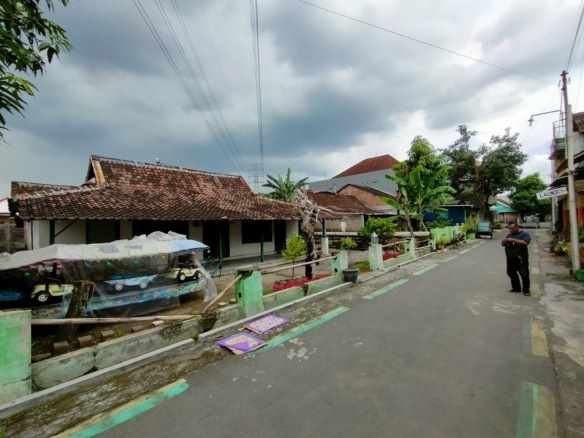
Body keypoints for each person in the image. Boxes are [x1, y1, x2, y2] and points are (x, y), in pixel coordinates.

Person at [502, 221, 531, 296]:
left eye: (512, 228)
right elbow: (503, 244)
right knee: (510, 272)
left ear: (517, 227)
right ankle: (516, 288)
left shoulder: (524, 234)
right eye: (509, 228)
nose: (510, 230)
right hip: (511, 257)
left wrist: (513, 240)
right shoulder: (509, 235)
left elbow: (526, 242)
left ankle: (526, 290)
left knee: (524, 273)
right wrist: (504, 241)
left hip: (521, 258)